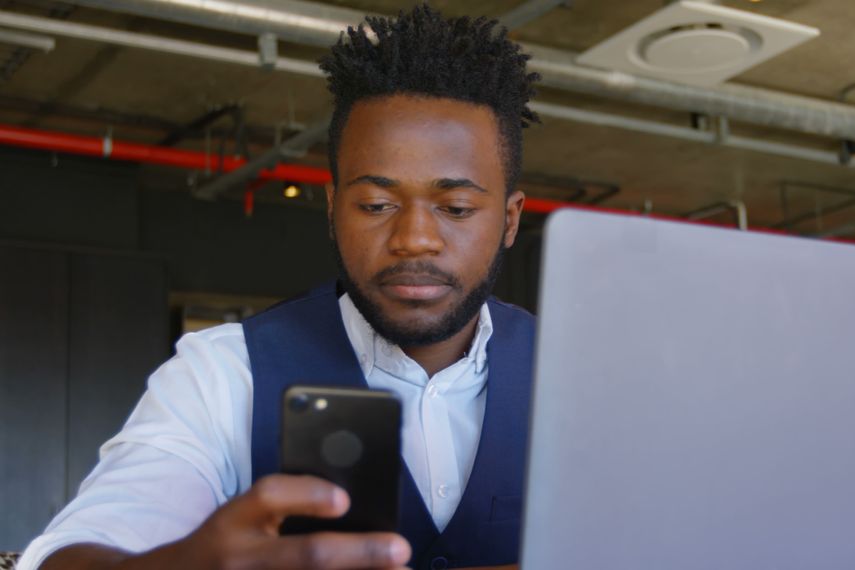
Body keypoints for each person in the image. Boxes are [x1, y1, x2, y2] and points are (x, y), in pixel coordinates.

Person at [18, 5, 540, 570]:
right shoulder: (224, 372)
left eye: (456, 207)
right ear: (333, 209)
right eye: (376, 204)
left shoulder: (584, 379)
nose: (414, 239)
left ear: (510, 219)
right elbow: (79, 546)